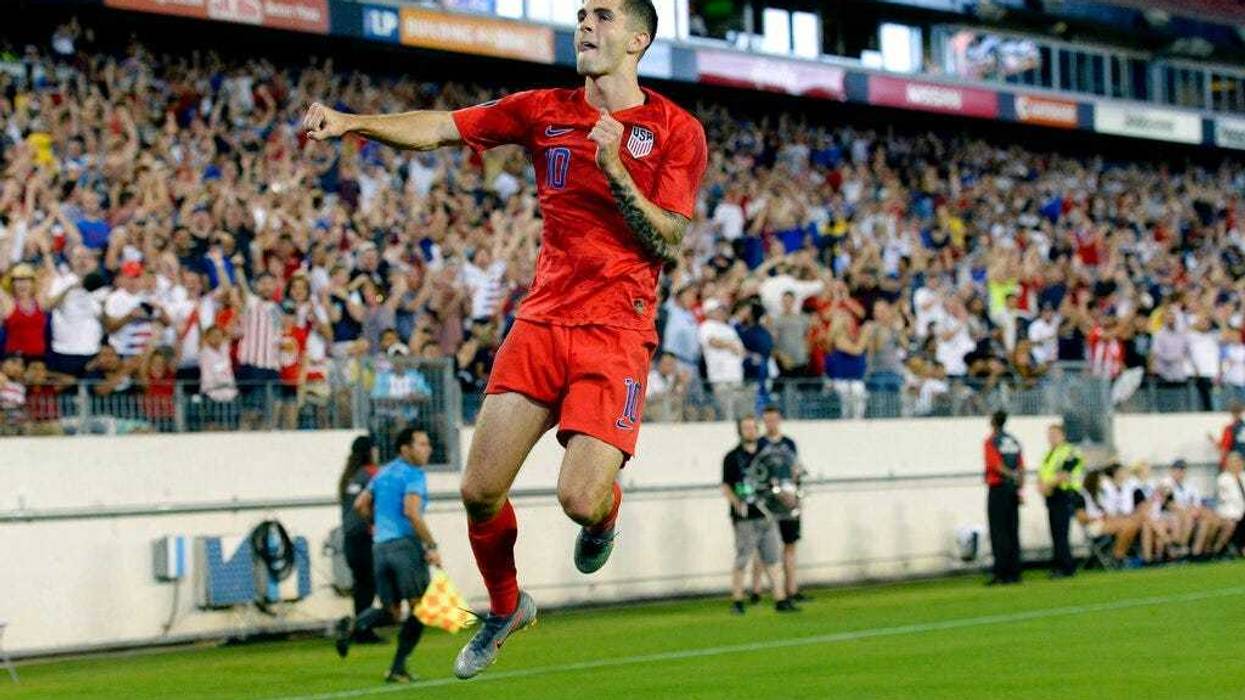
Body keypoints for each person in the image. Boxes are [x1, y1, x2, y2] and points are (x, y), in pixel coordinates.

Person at [303, 0, 708, 680]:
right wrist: (353, 123)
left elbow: (668, 238)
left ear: (637, 39)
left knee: (577, 498)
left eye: (602, 16)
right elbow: (440, 127)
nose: (585, 24)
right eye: (581, 13)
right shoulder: (542, 109)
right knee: (477, 490)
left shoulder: (674, 129)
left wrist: (614, 171)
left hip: (617, 328)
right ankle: (507, 604)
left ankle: (603, 515)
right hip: (543, 319)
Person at [335, 427, 443, 683]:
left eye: (428, 444)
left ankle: (353, 625)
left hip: (380, 548)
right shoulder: (413, 474)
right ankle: (397, 668)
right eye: (421, 444)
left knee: (391, 611)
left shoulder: (382, 473)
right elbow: (412, 512)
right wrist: (431, 546)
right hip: (405, 547)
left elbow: (361, 504)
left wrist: (377, 525)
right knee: (420, 608)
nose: (427, 449)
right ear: (405, 449)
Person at [721, 415, 797, 614]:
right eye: (745, 427)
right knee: (742, 558)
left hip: (766, 514)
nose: (750, 431)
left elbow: (779, 479)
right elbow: (726, 486)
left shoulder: (767, 455)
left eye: (753, 427)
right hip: (745, 517)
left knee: (772, 559)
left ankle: (780, 598)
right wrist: (735, 502)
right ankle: (737, 599)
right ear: (740, 430)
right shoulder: (732, 457)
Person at [757, 405, 807, 601]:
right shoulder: (760, 444)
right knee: (764, 548)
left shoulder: (789, 444)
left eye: (774, 419)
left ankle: (792, 589)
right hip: (768, 502)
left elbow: (795, 469)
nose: (771, 424)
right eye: (767, 420)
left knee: (790, 544)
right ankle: (758, 590)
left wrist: (796, 496)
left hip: (788, 501)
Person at [338, 434, 383, 642]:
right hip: (365, 536)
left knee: (361, 585)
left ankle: (360, 628)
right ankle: (363, 628)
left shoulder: (348, 476)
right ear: (370, 451)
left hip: (349, 539)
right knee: (371, 584)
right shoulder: (371, 473)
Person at [1038, 423, 1084, 578]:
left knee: (1061, 531)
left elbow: (1065, 473)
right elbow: (1042, 474)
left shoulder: (1071, 451)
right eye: (1049, 435)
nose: (1051, 438)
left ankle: (1066, 566)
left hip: (1064, 493)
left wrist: (1047, 485)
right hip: (1052, 495)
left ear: (1063, 435)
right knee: (1055, 531)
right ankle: (1059, 564)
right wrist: (1042, 486)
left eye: (1054, 434)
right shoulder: (1048, 454)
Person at [983, 410, 1024, 585]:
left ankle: (1001, 572)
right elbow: (1021, 466)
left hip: (998, 488)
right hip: (1013, 490)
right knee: (1013, 530)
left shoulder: (991, 441)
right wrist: (1018, 486)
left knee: (998, 531)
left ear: (992, 422)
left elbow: (996, 465)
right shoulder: (1014, 441)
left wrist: (1009, 476)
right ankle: (1015, 572)